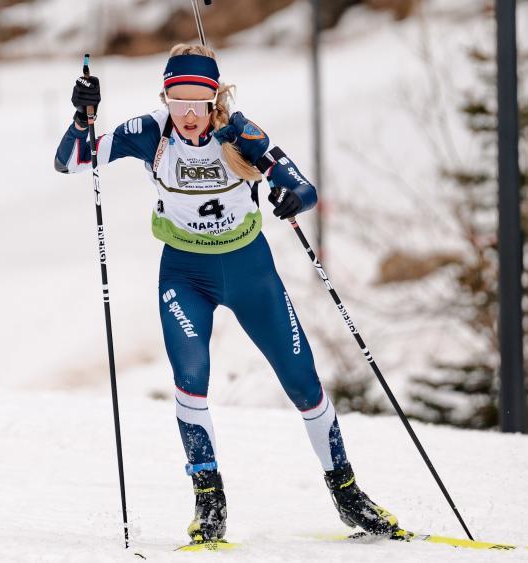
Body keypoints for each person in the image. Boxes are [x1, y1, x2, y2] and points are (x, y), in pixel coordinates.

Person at [54, 44, 398, 544]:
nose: (188, 114)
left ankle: (347, 494)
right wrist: (80, 118)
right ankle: (209, 501)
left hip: (249, 271)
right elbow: (69, 162)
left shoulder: (239, 132)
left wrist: (290, 197)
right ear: (165, 98)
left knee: (303, 382)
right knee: (191, 377)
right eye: (177, 101)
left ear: (214, 98)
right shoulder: (150, 131)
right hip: (185, 274)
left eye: (198, 102)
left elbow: (302, 187)